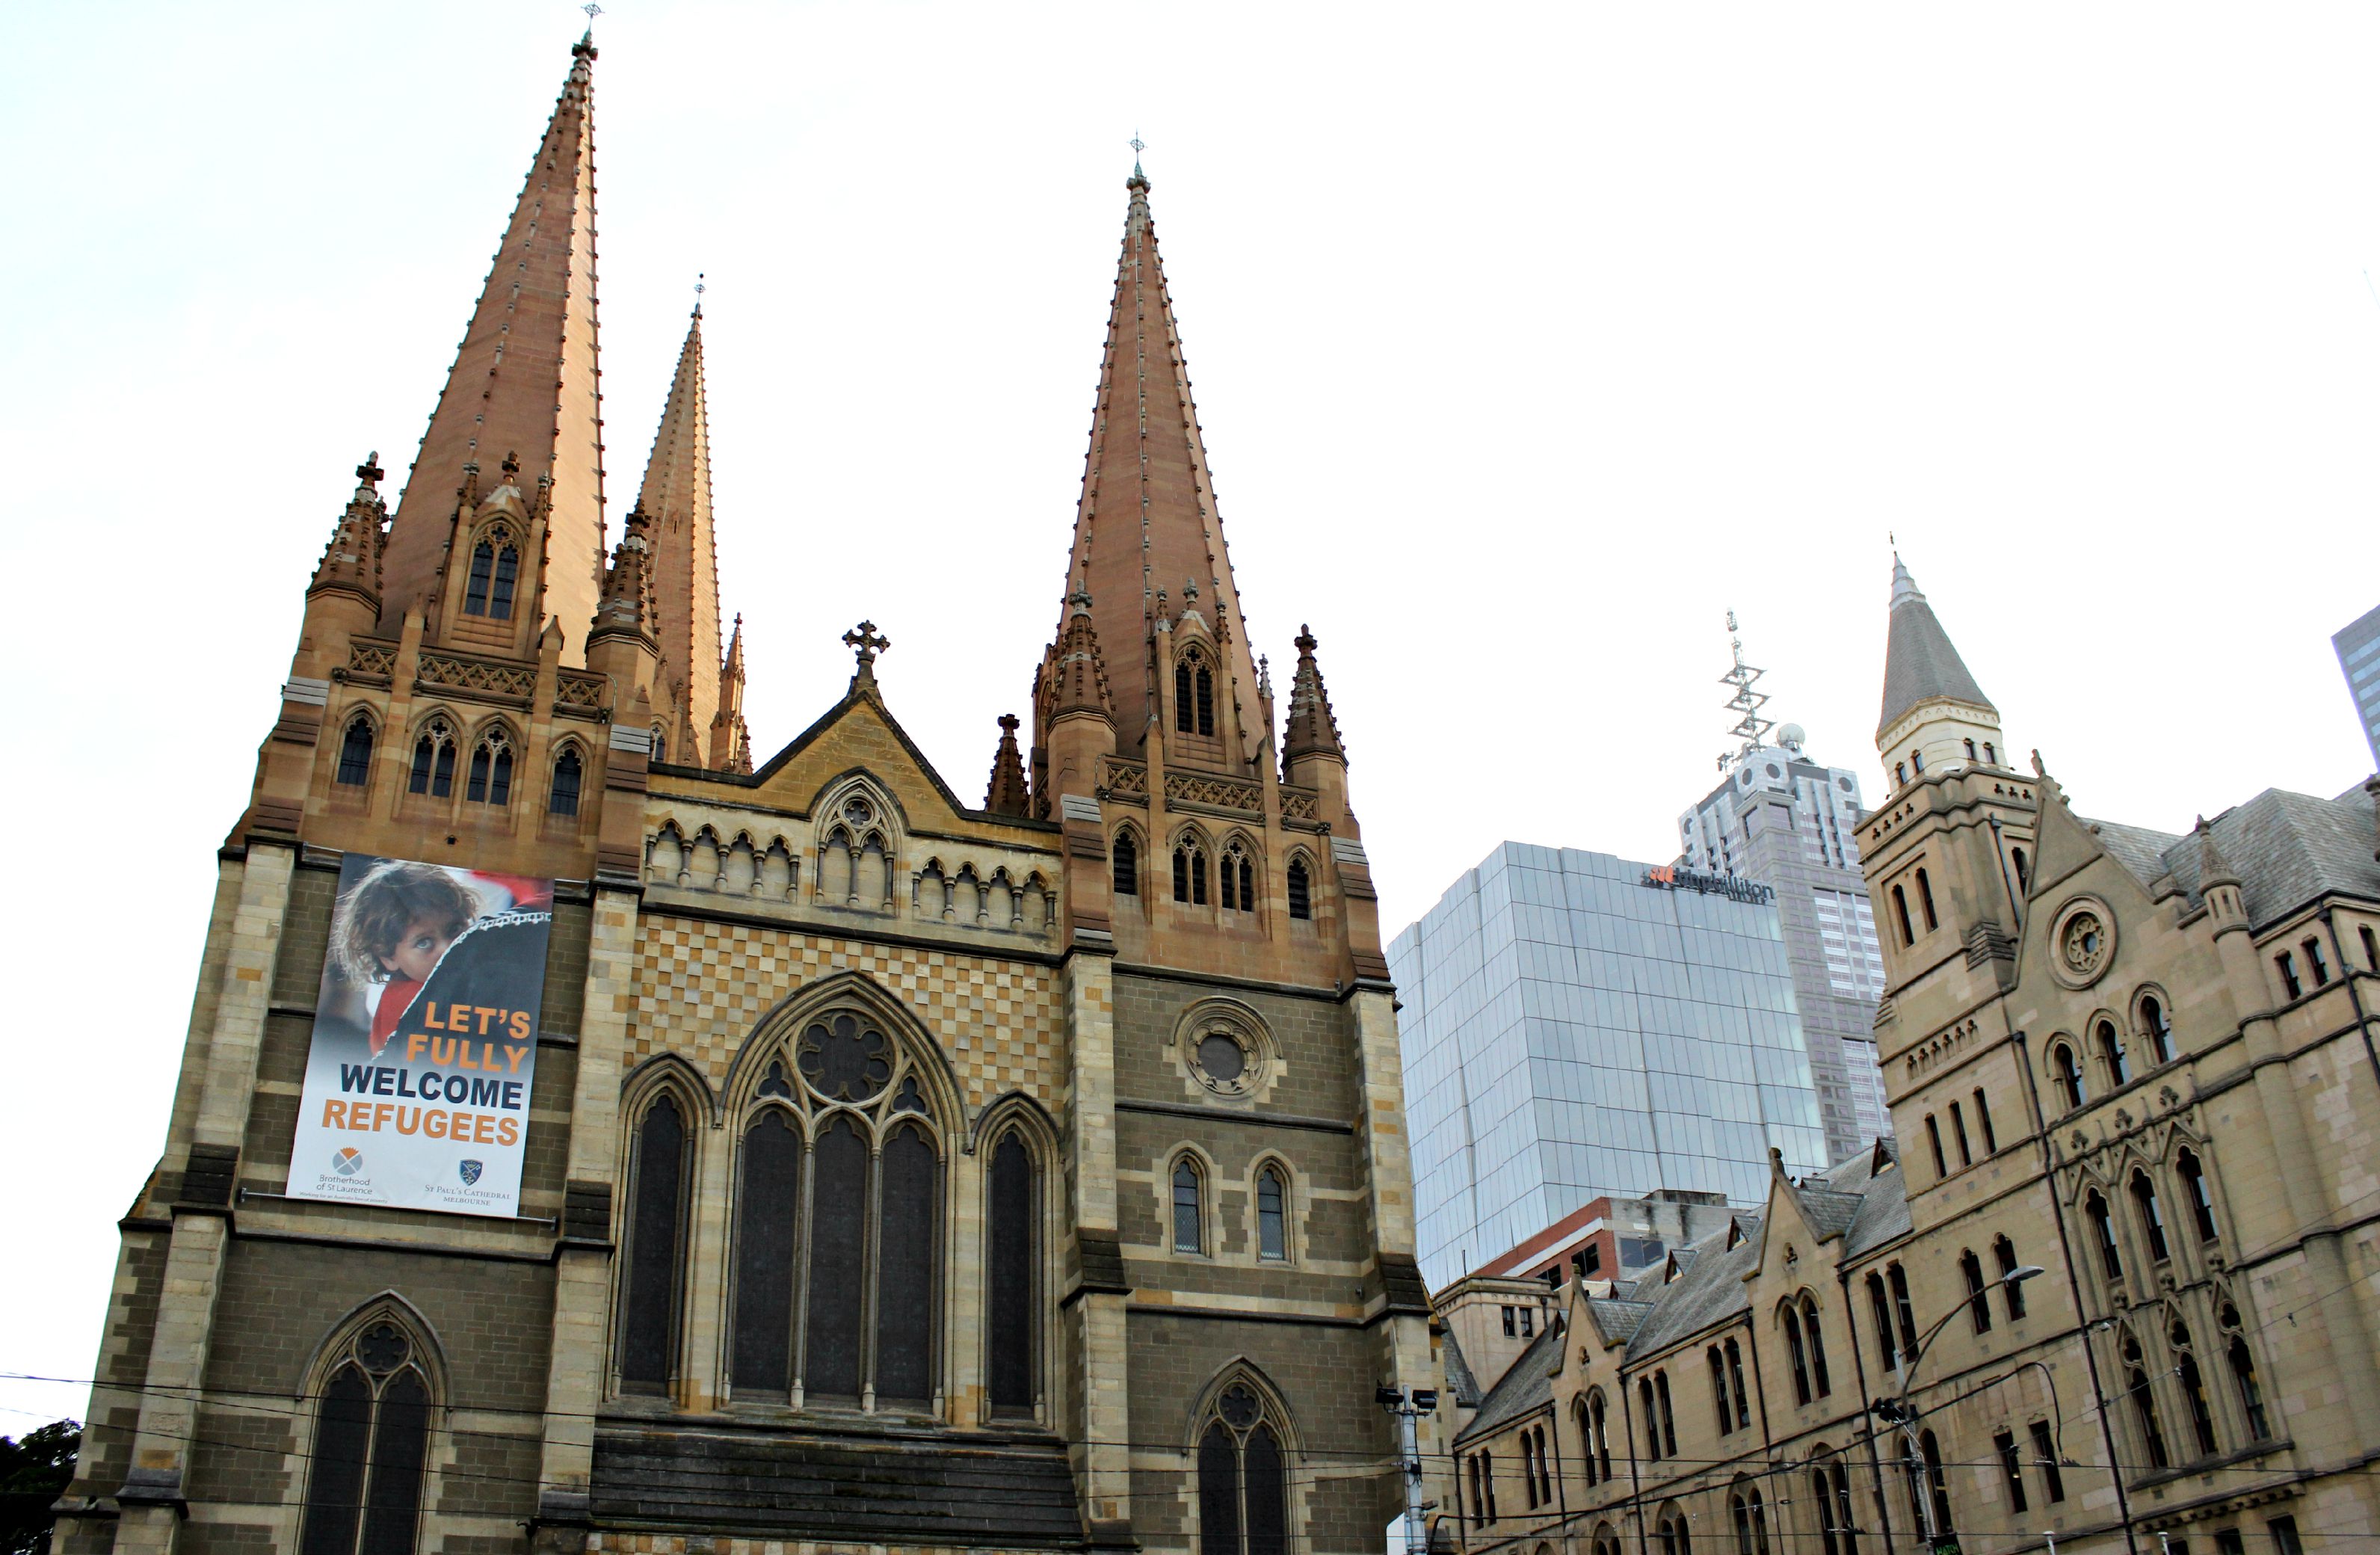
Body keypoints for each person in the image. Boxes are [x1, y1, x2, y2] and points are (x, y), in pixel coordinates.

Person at [333, 860, 484, 1057]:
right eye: (424, 943)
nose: (448, 948)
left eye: (455, 929)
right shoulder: (413, 1003)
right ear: (388, 957)